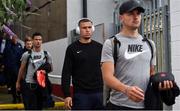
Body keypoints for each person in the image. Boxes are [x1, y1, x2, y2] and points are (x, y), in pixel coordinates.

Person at [101, 0, 173, 110]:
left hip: (147, 105)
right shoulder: (112, 43)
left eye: (138, 13)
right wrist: (126, 89)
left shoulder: (150, 44)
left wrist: (161, 84)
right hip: (119, 105)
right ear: (121, 18)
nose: (135, 17)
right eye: (130, 14)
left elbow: (151, 73)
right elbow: (107, 77)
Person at [61, 18, 103, 110]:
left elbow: (107, 70)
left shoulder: (100, 47)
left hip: (99, 93)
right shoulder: (72, 48)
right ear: (79, 30)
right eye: (84, 28)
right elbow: (66, 73)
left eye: (89, 27)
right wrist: (67, 95)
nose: (87, 30)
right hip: (81, 94)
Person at [16, 32, 53, 110]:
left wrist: (44, 71)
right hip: (29, 85)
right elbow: (21, 69)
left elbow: (51, 68)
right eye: (36, 39)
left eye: (40, 39)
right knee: (30, 108)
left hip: (41, 86)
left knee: (39, 108)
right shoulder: (26, 54)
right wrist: (18, 82)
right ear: (32, 41)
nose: (38, 41)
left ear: (42, 41)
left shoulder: (46, 54)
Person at [3, 33, 24, 103]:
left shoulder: (19, 46)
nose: (15, 40)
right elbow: (6, 53)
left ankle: (19, 97)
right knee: (12, 85)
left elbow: (22, 56)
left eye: (16, 38)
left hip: (18, 70)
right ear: (11, 39)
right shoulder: (9, 46)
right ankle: (14, 98)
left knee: (19, 85)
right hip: (11, 70)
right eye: (14, 38)